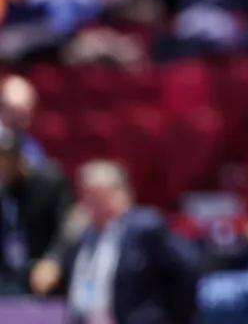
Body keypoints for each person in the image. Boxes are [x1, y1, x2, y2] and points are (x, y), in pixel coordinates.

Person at [34, 160, 201, 324]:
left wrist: (178, 317)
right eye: (83, 192)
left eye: (94, 194)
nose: (86, 200)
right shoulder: (82, 233)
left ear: (118, 193)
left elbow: (188, 266)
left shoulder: (145, 226)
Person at [0, 125, 71, 295]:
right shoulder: (3, 190)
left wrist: (54, 260)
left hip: (43, 276)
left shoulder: (49, 183)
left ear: (19, 157)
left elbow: (68, 228)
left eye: (5, 158)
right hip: (8, 277)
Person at [0, 75, 46, 165]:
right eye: (16, 112)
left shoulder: (31, 146)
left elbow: (37, 167)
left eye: (27, 112)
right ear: (2, 108)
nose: (23, 119)